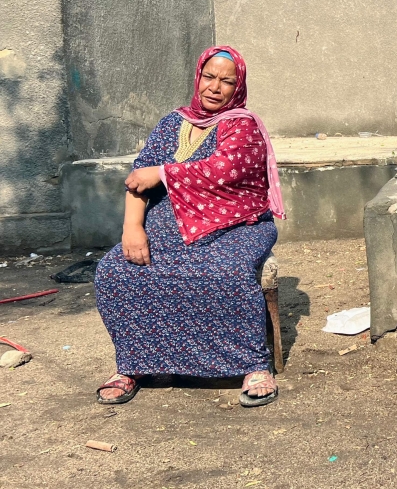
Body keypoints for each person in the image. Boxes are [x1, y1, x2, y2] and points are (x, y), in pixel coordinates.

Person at [93, 46, 286, 407]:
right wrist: (132, 229)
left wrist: (163, 173)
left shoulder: (242, 125)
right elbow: (138, 177)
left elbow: (225, 170)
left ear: (238, 86)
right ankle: (135, 365)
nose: (215, 87)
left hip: (236, 229)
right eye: (208, 77)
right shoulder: (171, 123)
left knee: (225, 272)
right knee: (114, 272)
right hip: (168, 232)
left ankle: (252, 365)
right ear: (197, 77)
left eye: (226, 81)